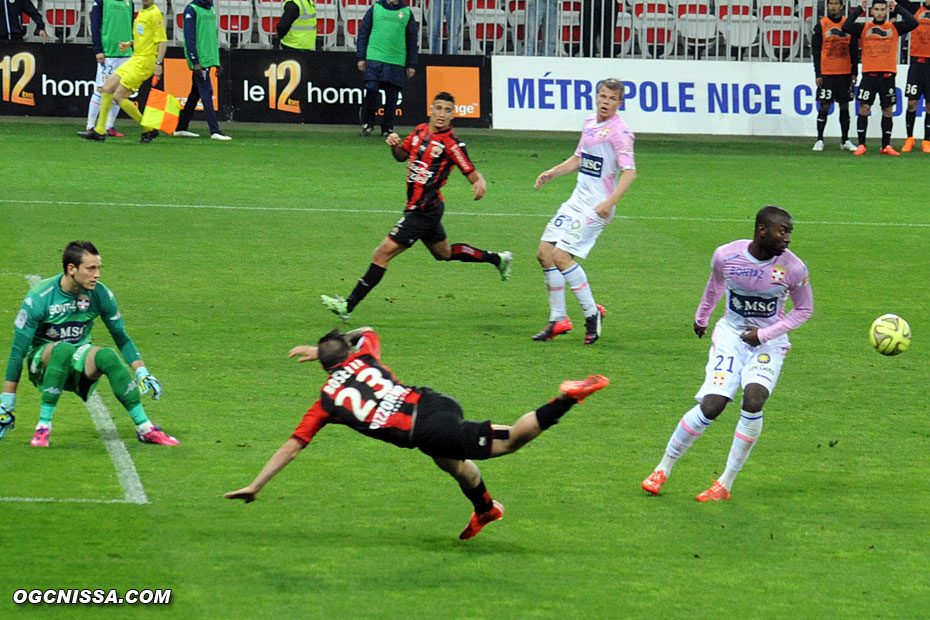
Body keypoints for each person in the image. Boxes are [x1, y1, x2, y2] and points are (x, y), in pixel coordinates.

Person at [223, 326, 608, 539]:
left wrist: (257, 484)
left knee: (508, 441)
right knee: (453, 464)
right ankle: (486, 510)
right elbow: (367, 330)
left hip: (428, 428)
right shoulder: (364, 353)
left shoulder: (327, 402)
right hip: (432, 402)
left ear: (323, 366)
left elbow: (292, 448)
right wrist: (325, 346)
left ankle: (566, 398)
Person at [641, 206, 813, 502]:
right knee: (713, 405)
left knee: (754, 397)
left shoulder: (794, 268)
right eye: (782, 231)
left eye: (789, 233)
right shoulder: (726, 255)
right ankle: (662, 468)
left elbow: (804, 310)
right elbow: (716, 285)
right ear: (762, 230)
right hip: (731, 336)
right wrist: (702, 316)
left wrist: (764, 334)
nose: (787, 239)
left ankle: (724, 483)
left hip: (768, 342)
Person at [322, 92, 513, 321]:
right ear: (431, 110)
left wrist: (480, 183)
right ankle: (498, 259)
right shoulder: (420, 131)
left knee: (381, 254)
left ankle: (347, 306)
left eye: (447, 110)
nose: (442, 114)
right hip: (425, 208)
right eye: (439, 108)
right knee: (445, 253)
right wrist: (394, 145)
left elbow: (471, 172)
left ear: (453, 115)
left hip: (423, 211)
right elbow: (402, 156)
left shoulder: (452, 144)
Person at [0, 241, 178, 447]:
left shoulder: (100, 294)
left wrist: (142, 372)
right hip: (43, 362)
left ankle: (145, 428)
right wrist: (6, 404)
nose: (97, 274)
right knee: (63, 349)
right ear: (71, 269)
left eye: (98, 268)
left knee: (108, 356)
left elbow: (120, 335)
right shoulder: (39, 298)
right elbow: (17, 351)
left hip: (78, 358)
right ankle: (43, 428)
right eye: (91, 268)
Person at [532, 78, 635, 346]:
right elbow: (579, 158)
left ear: (619, 103)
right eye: (602, 96)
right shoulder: (590, 123)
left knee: (561, 256)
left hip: (597, 206)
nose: (605, 102)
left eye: (612, 99)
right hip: (576, 201)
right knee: (545, 253)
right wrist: (553, 172)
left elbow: (630, 172)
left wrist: (609, 202)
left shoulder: (620, 132)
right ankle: (558, 319)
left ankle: (592, 314)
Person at [76, 0, 168, 145]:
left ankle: (148, 128)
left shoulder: (155, 14)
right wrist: (130, 43)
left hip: (144, 62)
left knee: (118, 96)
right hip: (135, 58)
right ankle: (99, 131)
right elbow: (144, 36)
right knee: (106, 88)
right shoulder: (143, 11)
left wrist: (158, 63)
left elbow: (162, 41)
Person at [843, 0, 918, 156]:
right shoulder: (864, 28)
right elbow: (846, 26)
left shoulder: (894, 27)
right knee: (864, 108)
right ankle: (862, 144)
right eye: (876, 9)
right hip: (869, 75)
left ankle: (886, 145)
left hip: (887, 75)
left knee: (888, 110)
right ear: (871, 11)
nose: (879, 12)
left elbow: (913, 22)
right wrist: (858, 10)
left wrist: (897, 8)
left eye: (882, 9)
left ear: (887, 11)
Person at [356, 0, 419, 138]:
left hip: (396, 60)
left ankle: (387, 128)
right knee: (371, 89)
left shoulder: (406, 13)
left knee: (392, 96)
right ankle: (368, 123)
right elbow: (363, 33)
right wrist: (361, 57)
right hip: (375, 57)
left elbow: (412, 40)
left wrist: (411, 64)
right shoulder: (375, 9)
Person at [172, 0, 231, 141]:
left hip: (208, 58)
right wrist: (195, 61)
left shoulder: (210, 9)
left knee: (195, 93)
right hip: (201, 60)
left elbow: (211, 36)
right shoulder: (191, 10)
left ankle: (181, 127)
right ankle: (214, 130)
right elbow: (189, 37)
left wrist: (216, 60)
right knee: (207, 92)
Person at [811, 0, 859, 152]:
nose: (833, 6)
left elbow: (854, 50)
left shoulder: (848, 24)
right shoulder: (821, 25)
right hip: (827, 73)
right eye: (830, 4)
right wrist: (818, 73)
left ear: (841, 6)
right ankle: (819, 139)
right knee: (824, 105)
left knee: (844, 106)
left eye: (836, 4)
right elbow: (816, 52)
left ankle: (845, 140)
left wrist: (854, 72)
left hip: (844, 72)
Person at [84, 0, 134, 139]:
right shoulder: (101, 1)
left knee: (120, 90)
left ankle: (108, 126)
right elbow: (95, 25)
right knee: (101, 89)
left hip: (126, 55)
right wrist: (98, 49)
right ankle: (91, 125)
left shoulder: (129, 2)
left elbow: (131, 26)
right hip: (108, 53)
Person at [896, 0, 930, 152]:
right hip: (917, 62)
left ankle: (927, 140)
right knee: (912, 103)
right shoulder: (915, 9)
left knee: (929, 105)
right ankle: (909, 138)